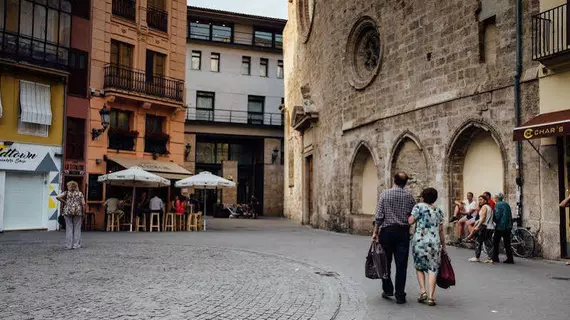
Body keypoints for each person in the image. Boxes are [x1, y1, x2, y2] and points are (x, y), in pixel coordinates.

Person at [372, 172, 417, 304]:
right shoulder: (409, 197)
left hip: (387, 232)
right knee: (401, 265)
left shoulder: (385, 194)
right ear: (406, 182)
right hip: (403, 232)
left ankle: (387, 289)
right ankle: (400, 294)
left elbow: (379, 216)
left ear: (394, 180)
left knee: (385, 262)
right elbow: (412, 216)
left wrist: (375, 232)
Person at [409, 188, 446, 306]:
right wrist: (443, 245)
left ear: (423, 196)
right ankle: (431, 297)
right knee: (433, 268)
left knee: (419, 266)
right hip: (434, 242)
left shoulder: (418, 207)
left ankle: (423, 291)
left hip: (419, 241)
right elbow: (441, 230)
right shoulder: (438, 210)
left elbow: (411, 221)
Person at [56, 181, 86, 250]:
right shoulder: (80, 193)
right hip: (77, 211)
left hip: (67, 211)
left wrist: (64, 202)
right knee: (77, 228)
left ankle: (68, 245)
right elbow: (83, 204)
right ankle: (76, 245)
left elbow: (57, 197)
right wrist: (83, 213)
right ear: (76, 186)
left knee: (69, 228)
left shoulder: (66, 193)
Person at [467, 195, 495, 263]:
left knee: (478, 241)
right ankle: (490, 258)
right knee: (488, 242)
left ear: (485, 201)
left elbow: (482, 218)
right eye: (479, 199)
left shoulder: (484, 207)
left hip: (484, 227)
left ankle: (477, 257)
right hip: (490, 227)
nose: (479, 201)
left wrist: (477, 226)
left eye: (481, 199)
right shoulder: (489, 207)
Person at [492, 193, 514, 264]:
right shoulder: (506, 204)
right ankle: (510, 258)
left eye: (495, 198)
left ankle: (495, 257)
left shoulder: (497, 205)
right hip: (508, 226)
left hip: (500, 226)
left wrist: (493, 220)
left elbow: (497, 215)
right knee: (507, 243)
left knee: (496, 241)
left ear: (497, 198)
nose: (494, 199)